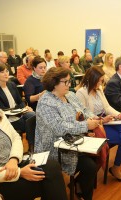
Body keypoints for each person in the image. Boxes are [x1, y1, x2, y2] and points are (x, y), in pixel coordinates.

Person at [36, 67, 100, 200]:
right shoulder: (46, 102)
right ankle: (81, 192)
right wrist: (86, 125)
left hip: (73, 141)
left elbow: (83, 109)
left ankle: (78, 187)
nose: (69, 85)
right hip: (54, 148)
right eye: (65, 82)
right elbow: (59, 128)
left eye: (69, 81)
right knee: (90, 166)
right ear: (54, 83)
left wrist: (94, 118)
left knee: (95, 159)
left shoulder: (69, 95)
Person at [76, 66, 121, 182]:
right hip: (93, 127)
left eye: (101, 81)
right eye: (99, 81)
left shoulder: (98, 90)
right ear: (91, 79)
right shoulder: (81, 92)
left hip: (105, 122)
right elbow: (82, 115)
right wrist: (102, 120)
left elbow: (107, 107)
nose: (100, 83)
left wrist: (119, 115)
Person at [0, 63, 36, 149]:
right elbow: (1, 108)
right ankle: (31, 146)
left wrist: (25, 108)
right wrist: (19, 109)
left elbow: (20, 101)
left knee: (33, 115)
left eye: (7, 71)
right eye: (2, 72)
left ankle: (31, 145)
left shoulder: (11, 84)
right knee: (29, 122)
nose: (6, 74)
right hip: (7, 118)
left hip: (19, 113)